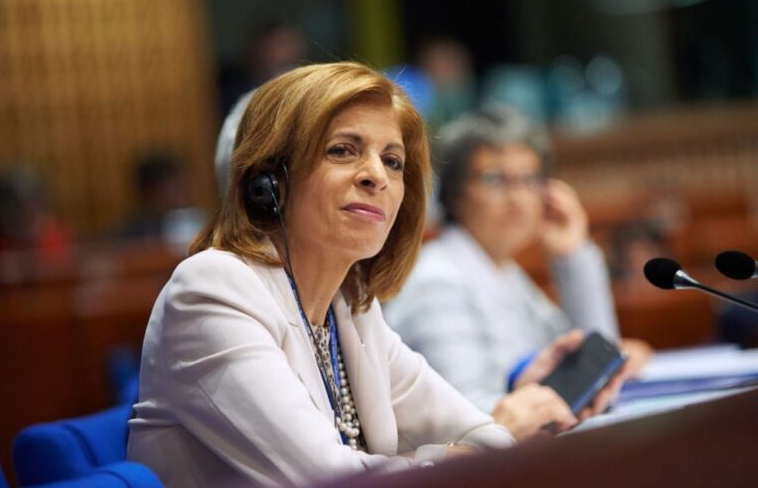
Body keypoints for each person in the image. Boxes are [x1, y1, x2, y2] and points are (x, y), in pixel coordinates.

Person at [127, 63, 616, 487]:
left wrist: (439, 457)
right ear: (267, 181)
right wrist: (444, 457)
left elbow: (488, 436)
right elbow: (333, 480)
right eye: (343, 150)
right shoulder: (213, 290)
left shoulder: (353, 307)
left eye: (392, 160)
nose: (376, 176)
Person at [385, 106, 648, 415]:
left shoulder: (505, 272)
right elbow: (463, 414)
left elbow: (592, 372)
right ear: (454, 193)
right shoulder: (436, 281)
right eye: (495, 179)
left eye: (530, 179)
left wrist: (572, 256)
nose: (518, 197)